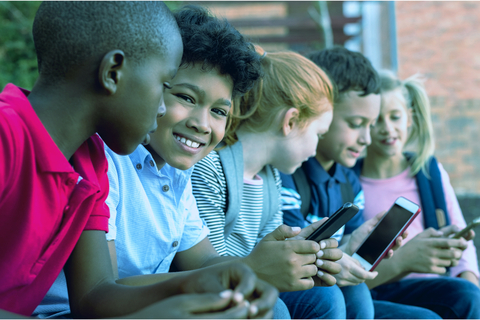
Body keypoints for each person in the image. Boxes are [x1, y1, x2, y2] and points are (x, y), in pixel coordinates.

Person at [0, 2, 277, 318]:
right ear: (113, 72)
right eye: (165, 85)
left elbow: (94, 295)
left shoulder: (90, 164)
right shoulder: (6, 138)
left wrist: (196, 288)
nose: (161, 108)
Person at [281, 46, 441, 319]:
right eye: (356, 124)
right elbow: (289, 257)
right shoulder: (288, 173)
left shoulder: (349, 183)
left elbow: (344, 257)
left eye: (371, 125)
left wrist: (354, 243)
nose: (367, 139)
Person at [191, 46, 347, 319]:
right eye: (319, 134)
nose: (316, 148)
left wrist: (297, 248)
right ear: (291, 121)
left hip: (250, 280)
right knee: (274, 308)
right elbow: (207, 264)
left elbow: (269, 252)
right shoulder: (210, 167)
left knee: (329, 294)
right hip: (213, 287)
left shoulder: (270, 178)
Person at [353, 69, 480, 319]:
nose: (387, 128)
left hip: (434, 288)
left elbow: (463, 245)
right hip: (377, 290)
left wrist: (470, 288)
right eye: (377, 120)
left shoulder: (429, 173)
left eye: (395, 117)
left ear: (409, 118)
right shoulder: (351, 182)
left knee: (468, 296)